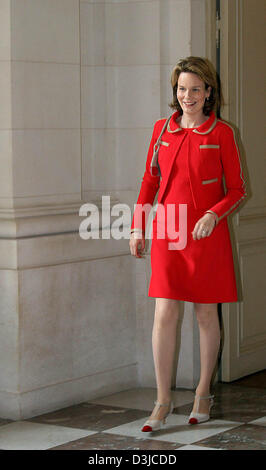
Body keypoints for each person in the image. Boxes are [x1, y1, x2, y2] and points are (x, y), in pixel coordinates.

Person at [129, 56, 247, 432]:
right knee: (165, 313)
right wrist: (138, 227)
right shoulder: (161, 130)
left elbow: (238, 189)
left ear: (208, 92)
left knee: (205, 315)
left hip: (206, 236)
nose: (188, 96)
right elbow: (149, 182)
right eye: (182, 89)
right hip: (168, 232)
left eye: (196, 89)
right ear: (175, 92)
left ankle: (201, 394)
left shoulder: (222, 133)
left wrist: (214, 214)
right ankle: (162, 401)